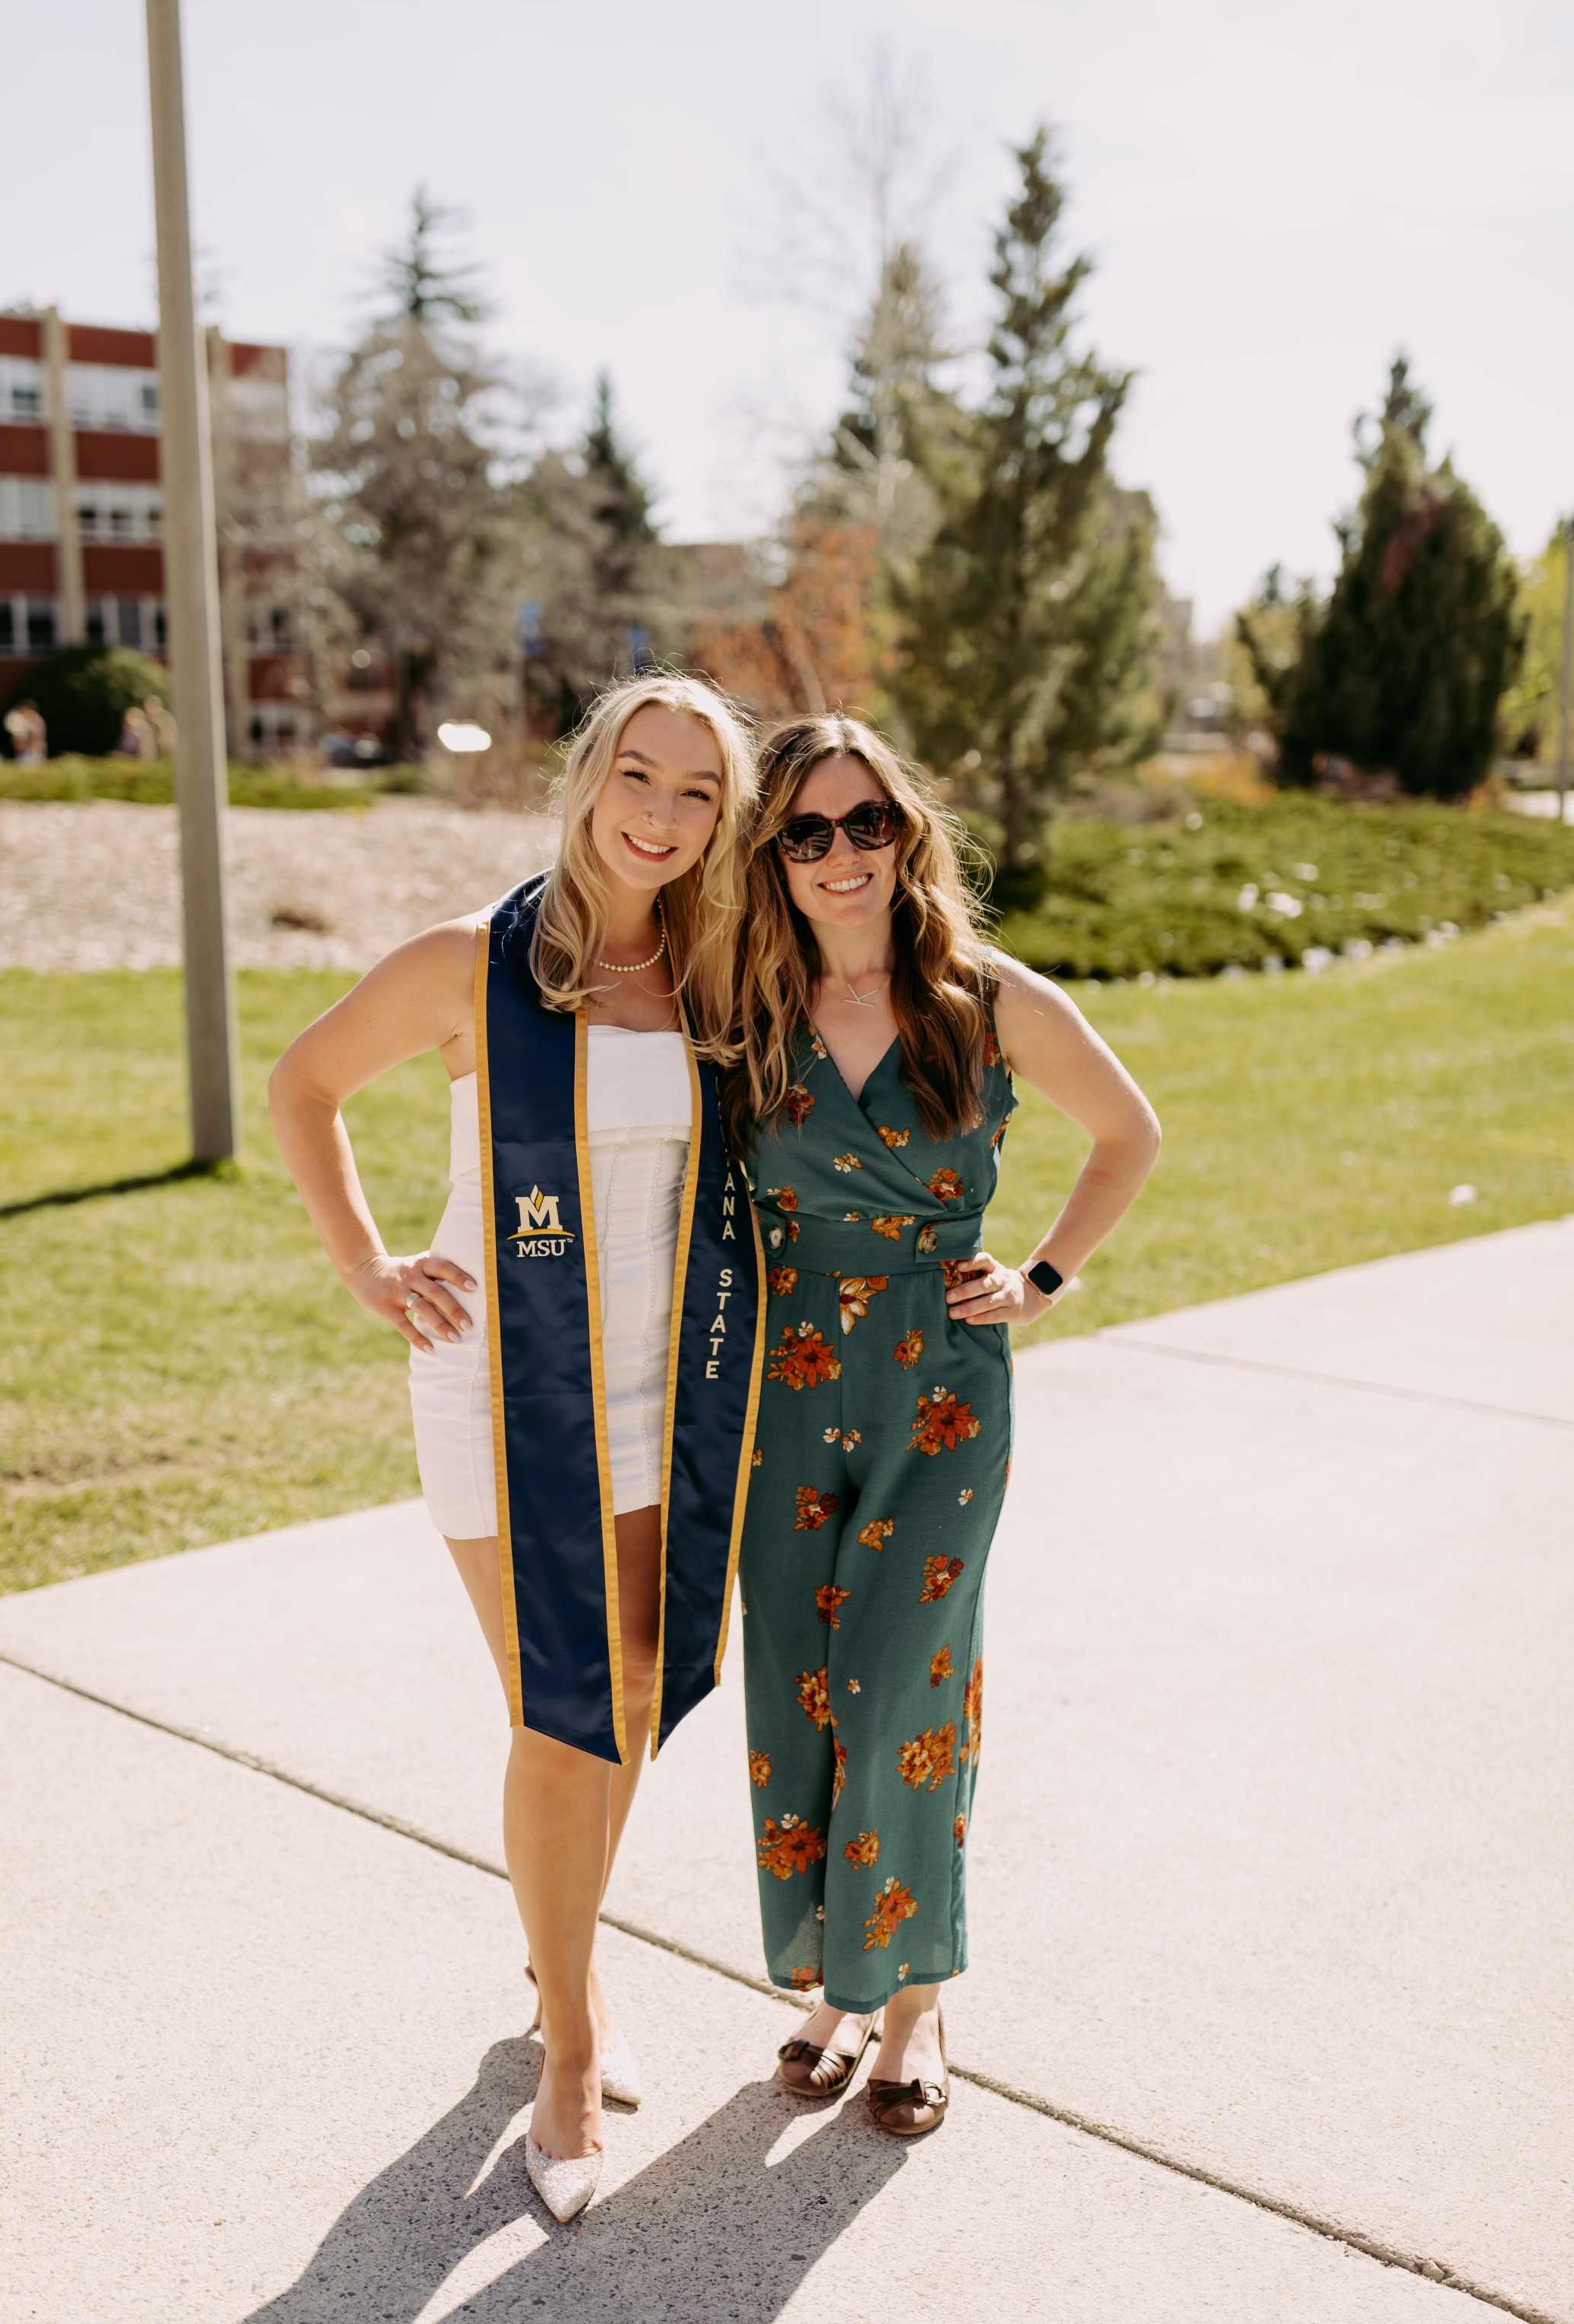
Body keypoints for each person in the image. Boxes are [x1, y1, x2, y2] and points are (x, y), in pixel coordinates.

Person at [269, 677, 762, 2222]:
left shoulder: (720, 976)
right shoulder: (475, 967)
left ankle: (563, 1962)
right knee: (564, 1719)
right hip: (501, 1387)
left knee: (625, 1702)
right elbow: (305, 1086)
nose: (662, 815)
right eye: (640, 774)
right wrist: (365, 1266)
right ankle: (567, 2045)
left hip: (654, 1396)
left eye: (698, 792)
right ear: (589, 776)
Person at [726, 717, 1160, 2138]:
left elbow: (1129, 1132)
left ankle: (912, 2001)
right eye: (806, 832)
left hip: (942, 1383)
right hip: (790, 1388)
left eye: (866, 824)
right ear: (773, 857)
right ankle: (840, 1982)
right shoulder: (746, 1005)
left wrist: (1039, 1278)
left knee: (900, 1680)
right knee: (799, 1677)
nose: (840, 855)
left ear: (906, 834)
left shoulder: (983, 1000)